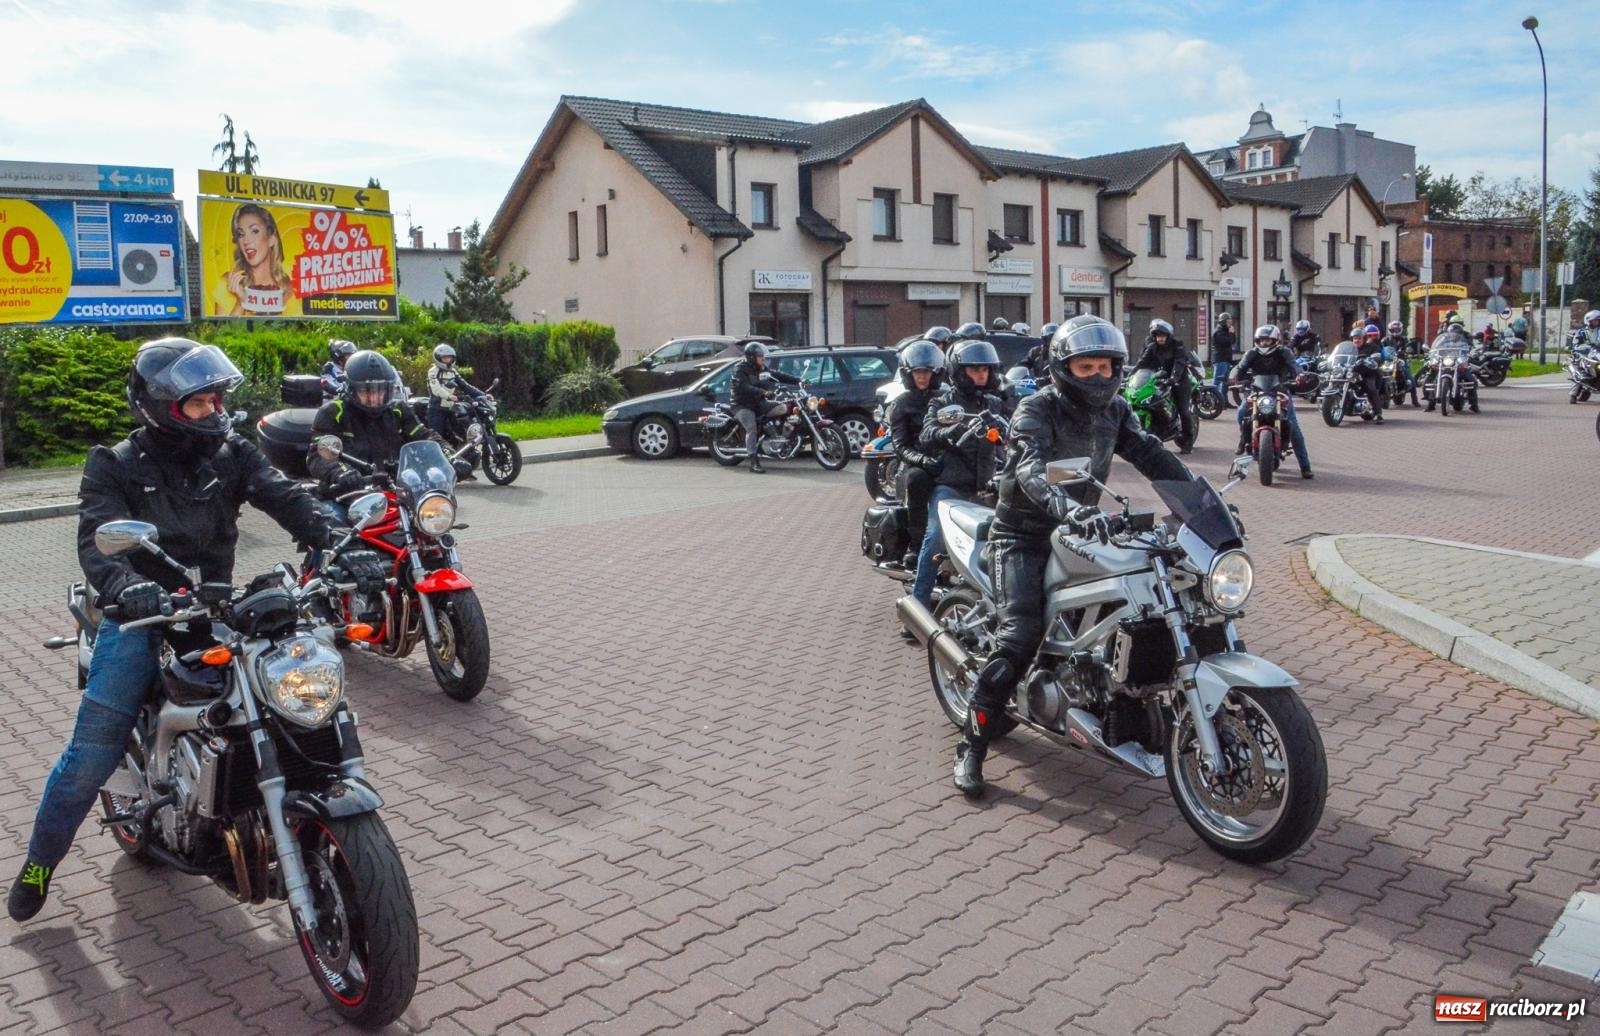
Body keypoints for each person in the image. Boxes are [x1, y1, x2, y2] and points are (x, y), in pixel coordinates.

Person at [7, 338, 387, 923]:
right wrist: (127, 586)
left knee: (294, 694)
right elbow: (97, 542)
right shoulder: (115, 463)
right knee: (90, 756)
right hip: (143, 615)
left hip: (217, 606)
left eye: (216, 399)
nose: (214, 411)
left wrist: (343, 543)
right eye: (199, 402)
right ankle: (39, 863)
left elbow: (288, 499)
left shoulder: (233, 453)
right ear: (160, 406)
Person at [953, 317, 1195, 796]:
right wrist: (1067, 508)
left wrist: (1199, 503)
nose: (1098, 376)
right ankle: (972, 747)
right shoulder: (1036, 407)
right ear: (1064, 368)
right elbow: (1029, 467)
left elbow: (1151, 454)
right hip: (1023, 534)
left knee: (1135, 605)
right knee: (1018, 637)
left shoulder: (1117, 410)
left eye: (1105, 366)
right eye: (1086, 367)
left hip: (1080, 531)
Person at [910, 338, 1003, 610]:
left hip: (988, 488)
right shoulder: (943, 401)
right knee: (934, 540)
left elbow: (1018, 428)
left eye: (985, 369)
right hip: (952, 488)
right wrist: (951, 431)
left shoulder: (994, 403)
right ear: (960, 372)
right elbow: (927, 434)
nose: (981, 375)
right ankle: (918, 607)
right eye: (975, 370)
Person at [308, 350, 455, 505]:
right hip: (348, 494)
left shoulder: (398, 410)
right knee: (331, 518)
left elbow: (425, 436)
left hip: (396, 491)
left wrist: (449, 455)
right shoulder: (334, 412)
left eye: (380, 391)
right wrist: (339, 472)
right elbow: (317, 455)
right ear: (351, 389)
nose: (374, 398)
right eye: (365, 391)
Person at [887, 341, 946, 621]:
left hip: (946, 463)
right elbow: (900, 445)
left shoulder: (946, 398)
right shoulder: (902, 403)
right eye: (918, 372)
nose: (923, 377)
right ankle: (916, 543)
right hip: (916, 464)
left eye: (927, 372)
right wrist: (921, 460)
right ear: (909, 374)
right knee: (917, 480)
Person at [1231, 325, 1313, 478]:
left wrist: (1300, 375)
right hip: (1257, 391)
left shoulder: (1284, 352)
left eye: (1267, 340)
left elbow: (1294, 365)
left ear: (1275, 340)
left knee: (1294, 428)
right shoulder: (1252, 353)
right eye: (1261, 340)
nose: (1264, 343)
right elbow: (1240, 367)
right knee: (1241, 413)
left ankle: (1305, 466)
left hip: (1280, 391)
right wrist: (1234, 376)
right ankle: (1244, 439)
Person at [729, 341, 800, 473]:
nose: (763, 358)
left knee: (783, 408)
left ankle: (774, 436)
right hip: (742, 405)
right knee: (751, 428)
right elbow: (744, 387)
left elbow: (777, 374)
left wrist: (798, 380)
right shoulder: (739, 369)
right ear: (751, 357)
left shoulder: (761, 368)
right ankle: (753, 462)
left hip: (758, 403)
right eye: (760, 356)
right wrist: (764, 392)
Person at [1133, 319, 1197, 453]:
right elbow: (1142, 363)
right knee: (1149, 402)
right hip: (1159, 379)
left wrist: (1173, 378)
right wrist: (1130, 376)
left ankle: (1188, 440)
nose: (1160, 338)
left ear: (1168, 336)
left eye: (1162, 336)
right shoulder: (1152, 347)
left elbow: (1179, 363)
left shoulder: (1177, 345)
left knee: (1183, 409)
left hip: (1179, 380)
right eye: (1157, 336)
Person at [218, 203, 294, 317]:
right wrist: (241, 302)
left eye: (254, 231)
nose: (246, 241)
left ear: (271, 239)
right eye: (241, 234)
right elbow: (223, 328)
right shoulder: (228, 283)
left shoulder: (291, 289)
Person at [426, 343, 487, 445]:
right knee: (437, 438)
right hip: (436, 409)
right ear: (438, 358)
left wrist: (482, 395)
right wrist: (449, 396)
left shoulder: (452, 371)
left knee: (460, 434)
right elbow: (436, 388)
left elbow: (465, 386)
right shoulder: (433, 371)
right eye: (445, 358)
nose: (448, 360)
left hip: (450, 409)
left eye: (449, 358)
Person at [1353, 324, 1387, 424]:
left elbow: (1377, 357)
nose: (1356, 340)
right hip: (1352, 373)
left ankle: (1379, 414)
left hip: (1367, 373)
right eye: (1355, 338)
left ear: (1364, 339)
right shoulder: (1351, 349)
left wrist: (1373, 359)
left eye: (1359, 338)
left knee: (1371, 388)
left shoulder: (1372, 347)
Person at [1381, 321, 1419, 406]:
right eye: (1393, 330)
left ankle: (1415, 400)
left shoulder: (1404, 339)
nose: (1395, 332)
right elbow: (1381, 349)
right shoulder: (1385, 340)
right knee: (1380, 374)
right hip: (1388, 361)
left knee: (1410, 377)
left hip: (1401, 360)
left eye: (1397, 330)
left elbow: (1408, 348)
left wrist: (1405, 351)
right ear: (1390, 330)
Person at [1209, 314, 1237, 397]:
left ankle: (1224, 400)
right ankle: (1214, 398)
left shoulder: (1225, 331)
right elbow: (1227, 342)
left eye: (1231, 322)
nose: (1230, 324)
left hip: (1226, 359)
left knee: (1225, 382)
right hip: (1220, 359)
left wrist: (1232, 333)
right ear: (1223, 322)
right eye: (1228, 322)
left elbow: (1232, 341)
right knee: (1218, 380)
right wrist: (1231, 333)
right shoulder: (1218, 332)